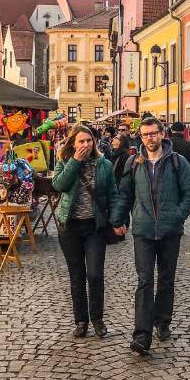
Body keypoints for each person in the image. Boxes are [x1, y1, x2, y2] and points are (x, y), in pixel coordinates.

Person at [114, 117, 190, 355]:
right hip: (143, 230)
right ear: (141, 138)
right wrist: (118, 220)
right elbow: (125, 194)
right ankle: (142, 334)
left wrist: (177, 215)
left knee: (166, 279)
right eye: (145, 135)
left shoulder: (177, 162)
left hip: (170, 230)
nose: (149, 138)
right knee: (144, 281)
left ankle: (162, 321)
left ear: (162, 134)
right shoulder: (134, 162)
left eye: (153, 133)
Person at [52, 125, 123, 339]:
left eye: (89, 140)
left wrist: (117, 220)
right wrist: (75, 161)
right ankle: (81, 321)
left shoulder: (104, 164)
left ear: (94, 142)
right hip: (70, 227)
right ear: (73, 143)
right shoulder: (65, 161)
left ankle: (97, 319)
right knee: (77, 275)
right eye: (81, 141)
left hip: (95, 227)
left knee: (95, 274)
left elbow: (113, 194)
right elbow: (59, 185)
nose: (86, 144)